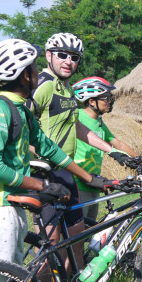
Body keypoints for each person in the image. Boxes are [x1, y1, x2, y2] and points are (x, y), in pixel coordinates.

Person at [0, 39, 105, 282]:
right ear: (24, 75)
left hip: (10, 205)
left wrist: (89, 178)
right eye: (32, 67)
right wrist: (40, 184)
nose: (36, 71)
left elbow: (48, 147)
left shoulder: (19, 108)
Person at [33, 33, 113, 267]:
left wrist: (111, 150)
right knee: (52, 247)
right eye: (62, 55)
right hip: (46, 173)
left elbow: (76, 127)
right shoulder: (43, 86)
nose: (68, 61)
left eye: (74, 57)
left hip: (66, 173)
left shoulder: (66, 90)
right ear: (49, 56)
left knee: (77, 240)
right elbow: (22, 125)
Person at [71, 77, 137, 222]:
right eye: (105, 98)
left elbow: (117, 144)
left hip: (95, 184)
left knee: (89, 231)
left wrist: (140, 159)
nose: (109, 101)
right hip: (79, 183)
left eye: (109, 97)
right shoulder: (79, 116)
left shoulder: (99, 122)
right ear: (91, 101)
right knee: (76, 233)